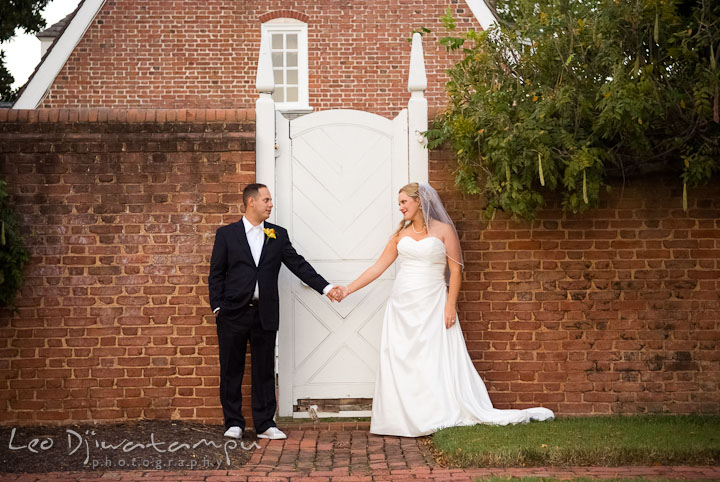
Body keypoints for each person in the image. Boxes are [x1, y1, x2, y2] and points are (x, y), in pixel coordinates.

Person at [335, 182, 554, 437]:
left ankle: (433, 412)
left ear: (419, 201)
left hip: (432, 303)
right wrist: (347, 289)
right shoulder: (400, 235)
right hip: (401, 305)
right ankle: (400, 418)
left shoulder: (444, 230)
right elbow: (377, 268)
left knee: (431, 358)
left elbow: (456, 270)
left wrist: (450, 305)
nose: (401, 207)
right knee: (401, 358)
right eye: (400, 203)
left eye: (404, 202)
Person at [209, 183, 342, 440]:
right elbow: (216, 273)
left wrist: (326, 288)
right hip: (232, 314)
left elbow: (298, 265)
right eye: (266, 200)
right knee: (231, 368)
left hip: (265, 313)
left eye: (270, 200)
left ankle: (265, 424)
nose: (271, 204)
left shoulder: (277, 235)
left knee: (264, 369)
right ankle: (233, 422)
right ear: (251, 203)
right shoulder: (227, 234)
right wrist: (218, 306)